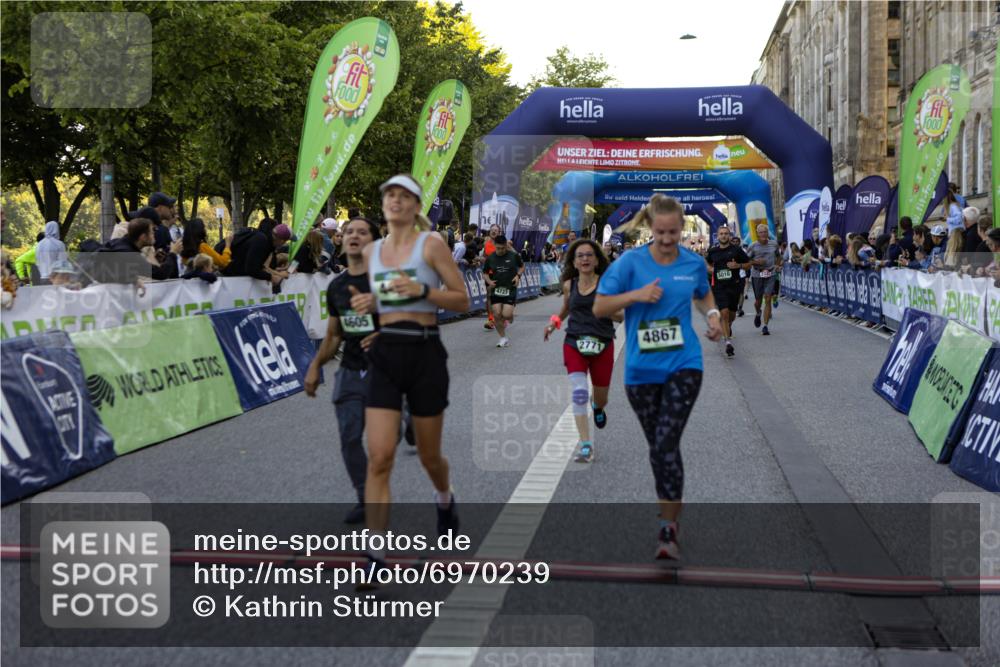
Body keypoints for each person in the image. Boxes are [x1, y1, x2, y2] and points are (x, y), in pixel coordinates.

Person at [348, 174, 469, 580]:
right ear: (383, 204)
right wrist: (370, 304)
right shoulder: (372, 252)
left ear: (417, 206)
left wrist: (421, 289)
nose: (395, 201)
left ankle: (444, 497)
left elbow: (461, 298)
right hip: (385, 352)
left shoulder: (430, 245)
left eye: (404, 196)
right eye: (389, 195)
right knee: (380, 457)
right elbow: (381, 303)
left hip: (424, 350)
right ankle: (375, 556)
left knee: (430, 457)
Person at [593, 194, 722, 560]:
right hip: (640, 370)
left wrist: (712, 316)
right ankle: (668, 509)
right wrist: (637, 295)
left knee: (666, 442)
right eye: (661, 232)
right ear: (651, 228)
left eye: (674, 232)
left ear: (683, 228)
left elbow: (704, 294)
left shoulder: (693, 263)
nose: (667, 239)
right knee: (658, 447)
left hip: (685, 364)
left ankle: (668, 529)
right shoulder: (631, 264)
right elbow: (601, 306)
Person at [304, 216, 382, 525]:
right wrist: (315, 366)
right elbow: (334, 333)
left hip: (388, 371)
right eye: (349, 231)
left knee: (383, 443)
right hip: (351, 369)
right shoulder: (336, 286)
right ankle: (365, 497)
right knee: (350, 437)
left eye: (362, 232)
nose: (354, 236)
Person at [543, 238, 622, 463]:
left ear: (597, 260)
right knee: (579, 392)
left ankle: (597, 407)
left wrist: (606, 311)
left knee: (601, 396)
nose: (585, 259)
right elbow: (567, 307)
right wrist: (554, 323)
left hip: (603, 343)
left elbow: (621, 315)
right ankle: (586, 444)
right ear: (574, 262)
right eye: (580, 256)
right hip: (574, 342)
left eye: (589, 255)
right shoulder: (569, 284)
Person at [705, 225, 750, 357]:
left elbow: (749, 263)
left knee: (731, 315)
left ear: (729, 236)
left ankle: (728, 325)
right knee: (723, 313)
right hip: (719, 287)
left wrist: (739, 265)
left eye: (726, 233)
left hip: (734, 286)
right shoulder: (713, 251)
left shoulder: (736, 250)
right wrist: (710, 269)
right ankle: (728, 343)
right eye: (721, 234)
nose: (723, 236)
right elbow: (706, 263)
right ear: (718, 236)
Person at [483, 234, 524, 348]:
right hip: (496, 289)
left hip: (510, 289)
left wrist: (518, 276)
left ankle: (509, 316)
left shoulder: (513, 256)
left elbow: (521, 266)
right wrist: (490, 282)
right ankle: (503, 338)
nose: (500, 250)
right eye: (498, 248)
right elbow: (485, 273)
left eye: (502, 248)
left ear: (506, 246)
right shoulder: (490, 258)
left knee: (506, 314)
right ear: (495, 245)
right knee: (496, 314)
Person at [222, 219, 287, 286]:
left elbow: (263, 267)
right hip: (230, 278)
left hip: (232, 278)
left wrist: (276, 274)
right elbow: (253, 269)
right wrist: (271, 277)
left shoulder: (260, 239)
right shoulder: (261, 240)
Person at [747, 224, 781, 336]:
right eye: (760, 232)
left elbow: (778, 256)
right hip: (757, 274)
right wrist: (756, 262)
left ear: (767, 233)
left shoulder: (774, 244)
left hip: (770, 274)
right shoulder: (752, 246)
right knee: (758, 301)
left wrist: (777, 265)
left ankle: (765, 326)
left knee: (767, 298)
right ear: (757, 234)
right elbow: (747, 261)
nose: (763, 234)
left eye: (765, 232)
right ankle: (758, 313)